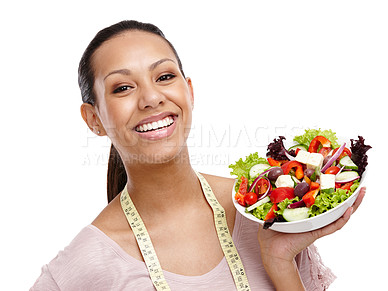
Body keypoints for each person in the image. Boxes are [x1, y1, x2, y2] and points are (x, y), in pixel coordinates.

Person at [31, 20, 365, 291]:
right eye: (122, 87)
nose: (151, 98)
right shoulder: (86, 266)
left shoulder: (263, 210)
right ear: (93, 119)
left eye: (164, 77)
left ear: (188, 91)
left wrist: (279, 262)